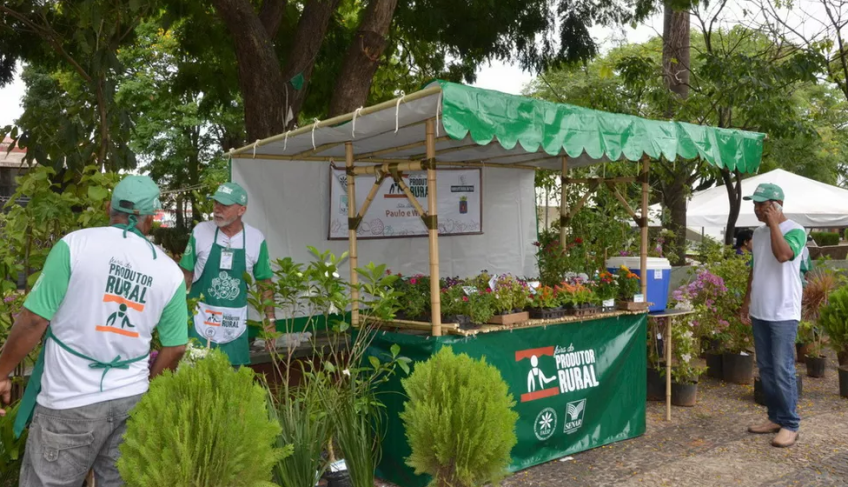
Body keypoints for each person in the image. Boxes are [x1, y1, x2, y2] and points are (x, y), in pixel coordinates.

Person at [0, 176, 188, 486]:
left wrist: (3, 372)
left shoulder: (75, 245)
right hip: (131, 400)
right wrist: (147, 393)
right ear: (151, 218)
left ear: (108, 208)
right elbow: (176, 348)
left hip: (68, 401)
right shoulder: (169, 272)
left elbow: (34, 320)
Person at [180, 182, 276, 367]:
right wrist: (174, 315)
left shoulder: (256, 239)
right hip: (199, 320)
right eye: (215, 203)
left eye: (224, 205)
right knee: (194, 377)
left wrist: (270, 321)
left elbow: (265, 283)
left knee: (231, 379)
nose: (217, 209)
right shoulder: (201, 232)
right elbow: (185, 276)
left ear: (241, 210)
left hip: (234, 325)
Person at [740, 183, 805, 448]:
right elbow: (755, 270)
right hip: (760, 311)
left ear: (776, 205)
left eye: (762, 205)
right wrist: (746, 303)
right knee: (766, 369)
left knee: (782, 369)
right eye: (754, 205)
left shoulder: (796, 231)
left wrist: (774, 223)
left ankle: (790, 424)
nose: (756, 209)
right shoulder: (758, 233)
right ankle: (774, 418)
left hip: (784, 312)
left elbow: (782, 255)